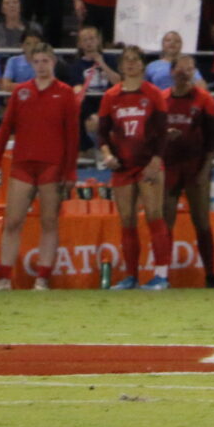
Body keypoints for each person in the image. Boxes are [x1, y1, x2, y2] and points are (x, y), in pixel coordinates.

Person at [0, 41, 80, 289]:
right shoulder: (21, 92)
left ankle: (42, 278)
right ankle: (3, 277)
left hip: (52, 165)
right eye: (37, 62)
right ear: (31, 63)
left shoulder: (65, 93)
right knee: (12, 221)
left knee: (49, 222)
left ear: (53, 62)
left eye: (45, 61)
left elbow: (72, 135)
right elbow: (6, 126)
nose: (41, 66)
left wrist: (70, 171)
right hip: (23, 164)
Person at [94, 46, 175, 290]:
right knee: (127, 219)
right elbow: (102, 133)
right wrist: (107, 155)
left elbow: (162, 132)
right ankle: (131, 276)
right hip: (122, 166)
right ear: (120, 66)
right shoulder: (111, 96)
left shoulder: (153, 94)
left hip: (148, 164)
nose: (130, 64)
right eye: (126, 60)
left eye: (135, 60)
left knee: (154, 215)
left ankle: (161, 275)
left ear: (142, 65)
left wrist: (156, 161)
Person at [157, 54, 214, 288]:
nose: (184, 74)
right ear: (171, 72)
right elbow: (153, 135)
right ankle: (162, 275)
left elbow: (212, 139)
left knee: (202, 220)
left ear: (194, 72)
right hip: (170, 166)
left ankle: (210, 274)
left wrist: (205, 170)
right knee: (166, 221)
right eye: (180, 69)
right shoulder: (162, 99)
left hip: (195, 165)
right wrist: (165, 137)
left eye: (189, 69)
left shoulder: (204, 99)